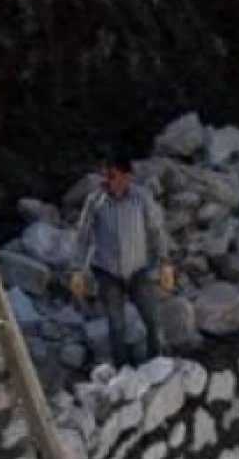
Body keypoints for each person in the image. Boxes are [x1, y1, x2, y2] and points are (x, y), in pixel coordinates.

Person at [69, 154, 174, 366]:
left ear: (126, 177)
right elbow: (83, 235)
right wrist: (77, 269)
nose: (105, 180)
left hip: (138, 270)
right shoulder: (95, 201)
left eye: (111, 175)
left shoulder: (141, 198)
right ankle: (123, 372)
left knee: (152, 319)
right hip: (107, 273)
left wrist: (165, 263)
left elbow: (156, 230)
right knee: (116, 325)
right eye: (104, 175)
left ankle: (157, 365)